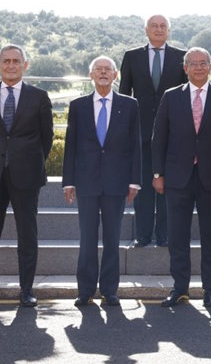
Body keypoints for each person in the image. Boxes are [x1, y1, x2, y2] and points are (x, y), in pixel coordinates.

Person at [152, 47, 211, 308]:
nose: (199, 67)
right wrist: (158, 174)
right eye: (194, 63)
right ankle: (180, 287)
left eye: (204, 63)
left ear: (210, 67)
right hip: (177, 178)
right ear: (185, 68)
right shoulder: (171, 97)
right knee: (177, 236)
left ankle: (210, 288)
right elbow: (159, 139)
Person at [0, 44, 54, 308]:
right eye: (6, 61)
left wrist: (28, 161)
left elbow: (47, 138)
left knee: (27, 236)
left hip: (26, 175)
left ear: (25, 65)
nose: (11, 65)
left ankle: (27, 289)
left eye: (16, 61)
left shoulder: (39, 96)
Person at [62, 56, 141, 307]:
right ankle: (85, 290)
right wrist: (68, 182)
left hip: (117, 183)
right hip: (86, 182)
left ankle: (109, 290)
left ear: (116, 75)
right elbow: (70, 145)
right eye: (99, 69)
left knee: (112, 238)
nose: (104, 73)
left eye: (108, 70)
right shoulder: (78, 105)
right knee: (87, 238)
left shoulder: (130, 105)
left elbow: (135, 146)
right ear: (91, 75)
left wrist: (135, 181)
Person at [119, 14, 187, 248]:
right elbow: (124, 96)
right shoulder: (132, 56)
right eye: (154, 26)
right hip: (141, 132)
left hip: (174, 133)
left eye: (162, 26)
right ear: (146, 30)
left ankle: (165, 234)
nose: (158, 30)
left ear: (169, 31)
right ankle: (143, 234)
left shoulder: (181, 57)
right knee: (145, 184)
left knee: (168, 185)